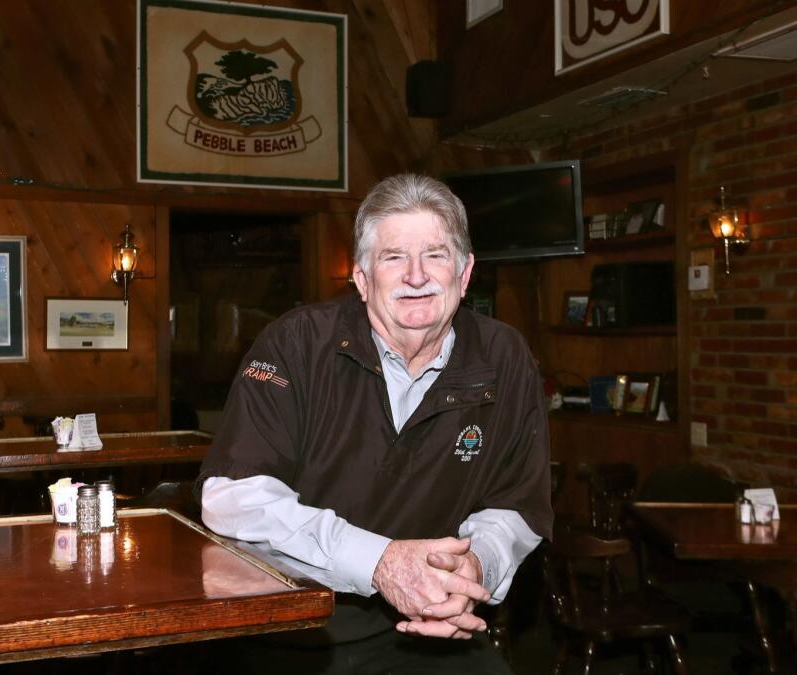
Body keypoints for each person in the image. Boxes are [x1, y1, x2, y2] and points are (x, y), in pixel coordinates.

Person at [197, 174, 552, 674]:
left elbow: (517, 504)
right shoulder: (296, 345)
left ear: (465, 272)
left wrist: (474, 570)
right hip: (299, 629)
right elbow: (232, 496)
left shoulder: (504, 355)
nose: (416, 275)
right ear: (362, 279)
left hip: (433, 629)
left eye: (436, 254)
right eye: (393, 257)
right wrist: (380, 562)